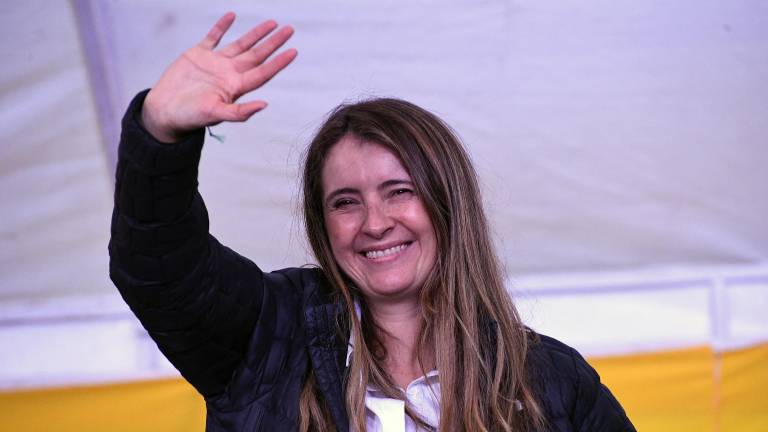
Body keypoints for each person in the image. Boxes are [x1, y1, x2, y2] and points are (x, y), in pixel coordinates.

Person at [109, 12, 635, 432]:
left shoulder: (553, 382)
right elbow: (159, 270)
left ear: (448, 203)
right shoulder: (268, 334)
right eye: (345, 202)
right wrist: (159, 134)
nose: (375, 223)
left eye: (398, 191)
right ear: (322, 224)